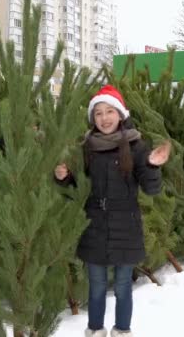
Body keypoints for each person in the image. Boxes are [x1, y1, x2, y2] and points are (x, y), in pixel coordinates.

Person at [54, 85, 171, 337]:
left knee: (121, 287)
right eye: (98, 113)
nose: (104, 118)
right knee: (96, 286)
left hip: (125, 227)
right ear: (92, 118)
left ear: (120, 114)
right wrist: (64, 177)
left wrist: (152, 165)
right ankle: (95, 330)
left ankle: (122, 330)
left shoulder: (136, 146)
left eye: (109, 111)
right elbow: (78, 187)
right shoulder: (86, 148)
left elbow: (151, 189)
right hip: (93, 226)